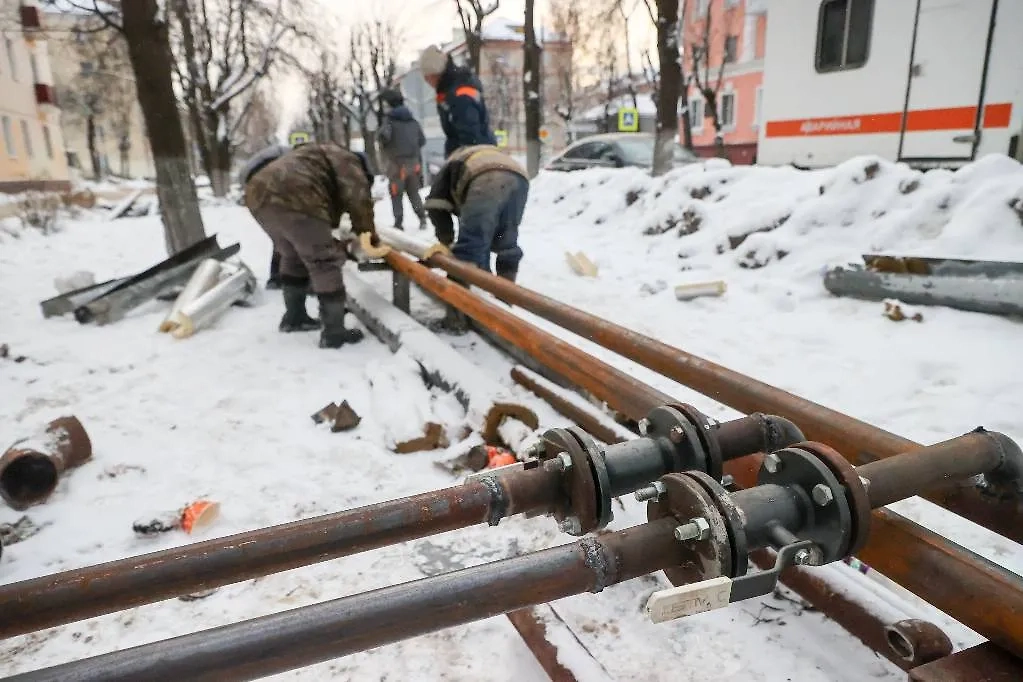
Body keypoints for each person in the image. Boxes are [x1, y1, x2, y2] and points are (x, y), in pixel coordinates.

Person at [243, 142, 377, 349]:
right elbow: (359, 199)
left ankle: (295, 317)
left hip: (257, 194)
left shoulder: (318, 155)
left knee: (292, 255)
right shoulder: (350, 162)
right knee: (323, 262)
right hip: (294, 193)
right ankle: (334, 332)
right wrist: (368, 235)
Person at [424, 144, 528, 283]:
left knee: (470, 245)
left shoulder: (451, 164)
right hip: (518, 175)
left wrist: (446, 239)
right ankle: (506, 294)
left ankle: (460, 298)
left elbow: (435, 205)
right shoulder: (474, 154)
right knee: (506, 239)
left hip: (485, 176)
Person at [418, 45, 497, 157]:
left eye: (427, 77)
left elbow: (470, 136)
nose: (427, 82)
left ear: (434, 74)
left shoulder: (459, 94)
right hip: (481, 147)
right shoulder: (451, 89)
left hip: (475, 153)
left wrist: (457, 161)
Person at [378, 88, 427, 231]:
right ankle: (422, 218)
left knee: (396, 193)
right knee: (413, 192)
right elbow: (422, 140)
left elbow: (384, 137)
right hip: (413, 164)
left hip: (396, 165)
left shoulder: (389, 121)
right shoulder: (413, 121)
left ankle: (399, 223)